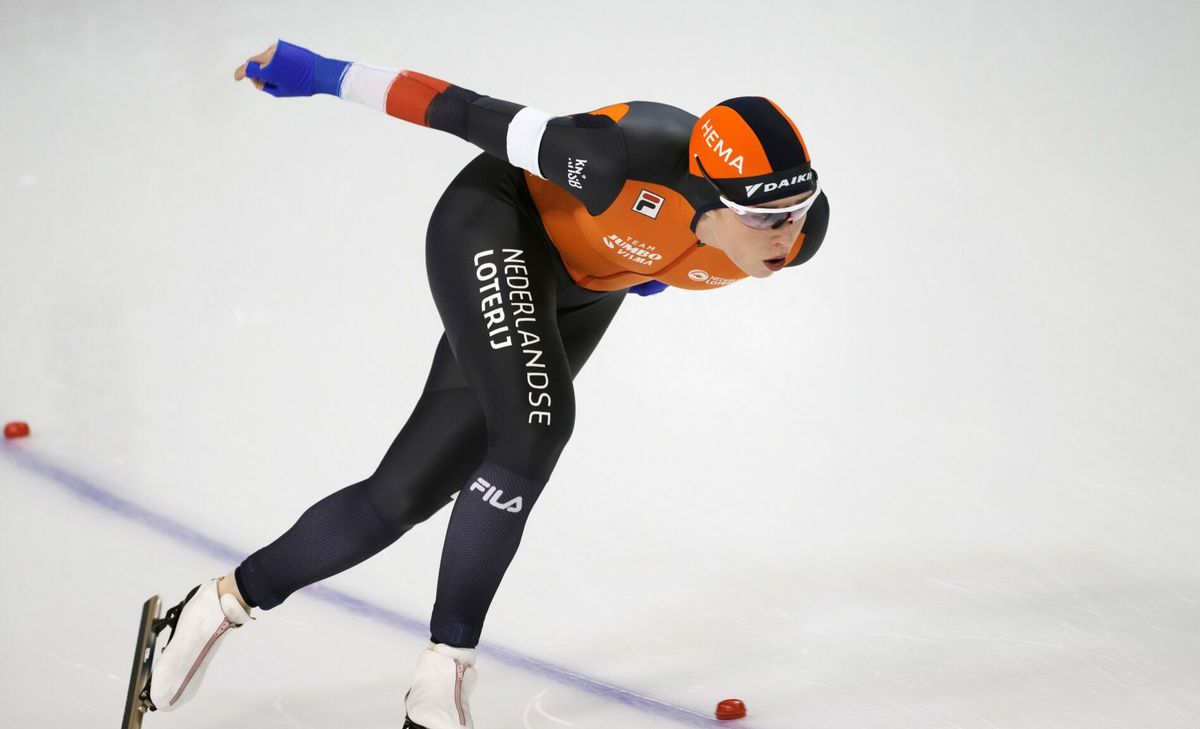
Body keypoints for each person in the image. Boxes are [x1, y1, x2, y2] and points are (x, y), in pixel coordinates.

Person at [137, 39, 830, 729]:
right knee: (537, 424)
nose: (786, 235)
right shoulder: (615, 157)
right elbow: (457, 108)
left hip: (582, 291)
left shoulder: (799, 234)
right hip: (497, 223)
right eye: (767, 218)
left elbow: (700, 242)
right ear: (709, 193)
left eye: (800, 209)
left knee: (403, 492)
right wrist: (316, 73)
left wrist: (650, 265)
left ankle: (218, 602)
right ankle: (444, 673)